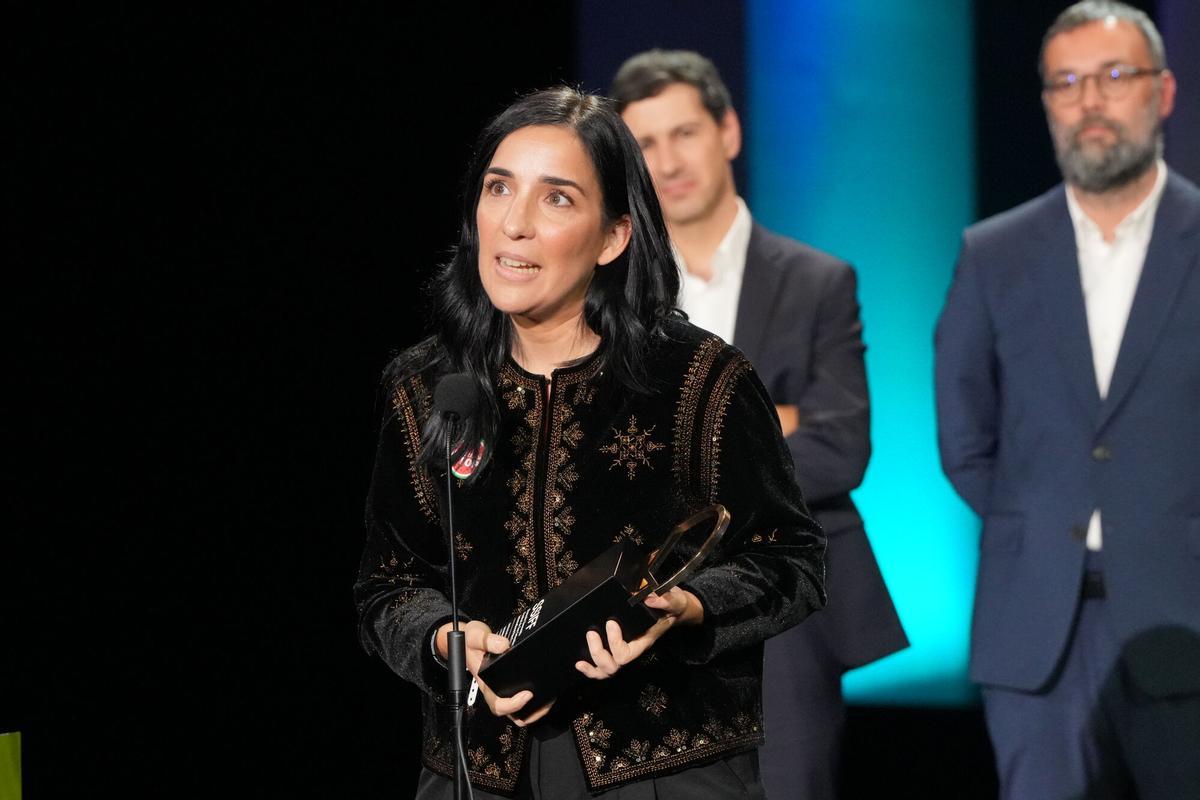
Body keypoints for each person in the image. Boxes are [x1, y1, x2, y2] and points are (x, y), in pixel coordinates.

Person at [354, 86, 826, 799]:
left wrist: (687, 609)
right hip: (476, 771)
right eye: (498, 188)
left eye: (557, 199)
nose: (513, 224)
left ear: (614, 236)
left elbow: (792, 561)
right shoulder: (426, 386)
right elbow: (387, 586)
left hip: (664, 766)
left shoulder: (700, 379)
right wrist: (446, 642)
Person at [612, 50, 908, 799]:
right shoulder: (612, 303)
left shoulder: (818, 282)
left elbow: (840, 449)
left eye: (684, 133)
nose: (668, 162)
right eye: (644, 144)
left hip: (787, 608)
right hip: (638, 612)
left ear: (730, 131)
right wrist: (767, 423)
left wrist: (677, 449)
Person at [935, 3, 1200, 797]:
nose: (1090, 100)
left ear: (1164, 92)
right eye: (1067, 82)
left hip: (1182, 617)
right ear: (1048, 102)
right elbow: (964, 433)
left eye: (1114, 77)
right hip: (1034, 632)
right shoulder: (993, 253)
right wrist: (1038, 518)